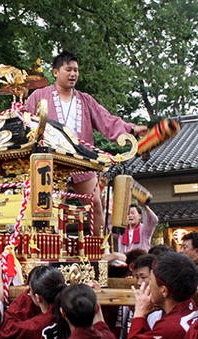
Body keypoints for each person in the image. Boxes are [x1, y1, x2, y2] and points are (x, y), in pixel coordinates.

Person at [26, 49, 148, 236]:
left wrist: (131, 129)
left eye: (76, 70)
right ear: (56, 72)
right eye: (68, 69)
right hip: (51, 162)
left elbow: (106, 119)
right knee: (54, 206)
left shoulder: (85, 100)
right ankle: (51, 248)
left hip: (82, 160)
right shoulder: (38, 96)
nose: (73, 74)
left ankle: (99, 247)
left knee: (96, 203)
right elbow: (26, 123)